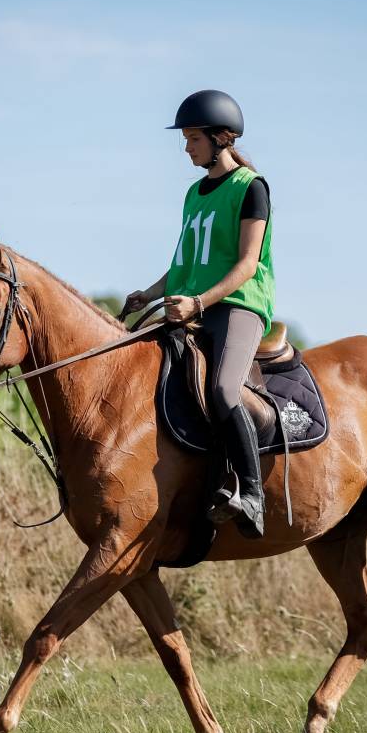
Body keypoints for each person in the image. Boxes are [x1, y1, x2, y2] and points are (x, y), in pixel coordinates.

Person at [125, 89, 275, 539]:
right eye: (186, 139)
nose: (187, 147)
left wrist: (199, 302)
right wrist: (147, 294)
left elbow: (247, 263)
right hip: (189, 307)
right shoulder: (194, 193)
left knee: (224, 388)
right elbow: (184, 264)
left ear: (220, 138)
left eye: (193, 138)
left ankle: (252, 494)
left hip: (237, 307)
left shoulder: (252, 188)